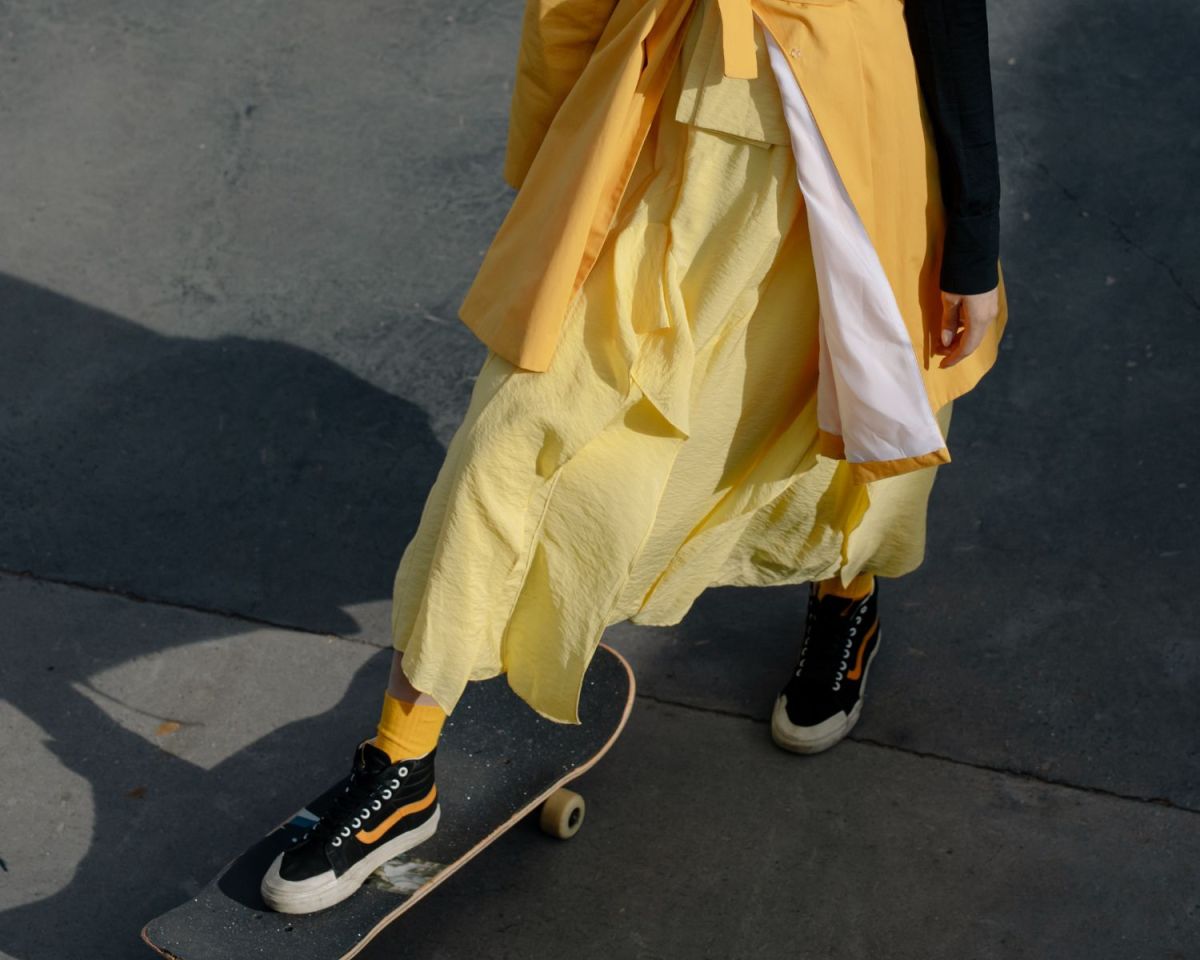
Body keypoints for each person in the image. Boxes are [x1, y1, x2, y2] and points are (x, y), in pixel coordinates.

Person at [260, 0, 1007, 914]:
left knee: (848, 399)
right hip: (666, 132)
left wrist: (973, 235)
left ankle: (847, 595)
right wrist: (554, 142)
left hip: (858, 137)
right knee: (514, 437)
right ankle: (401, 765)